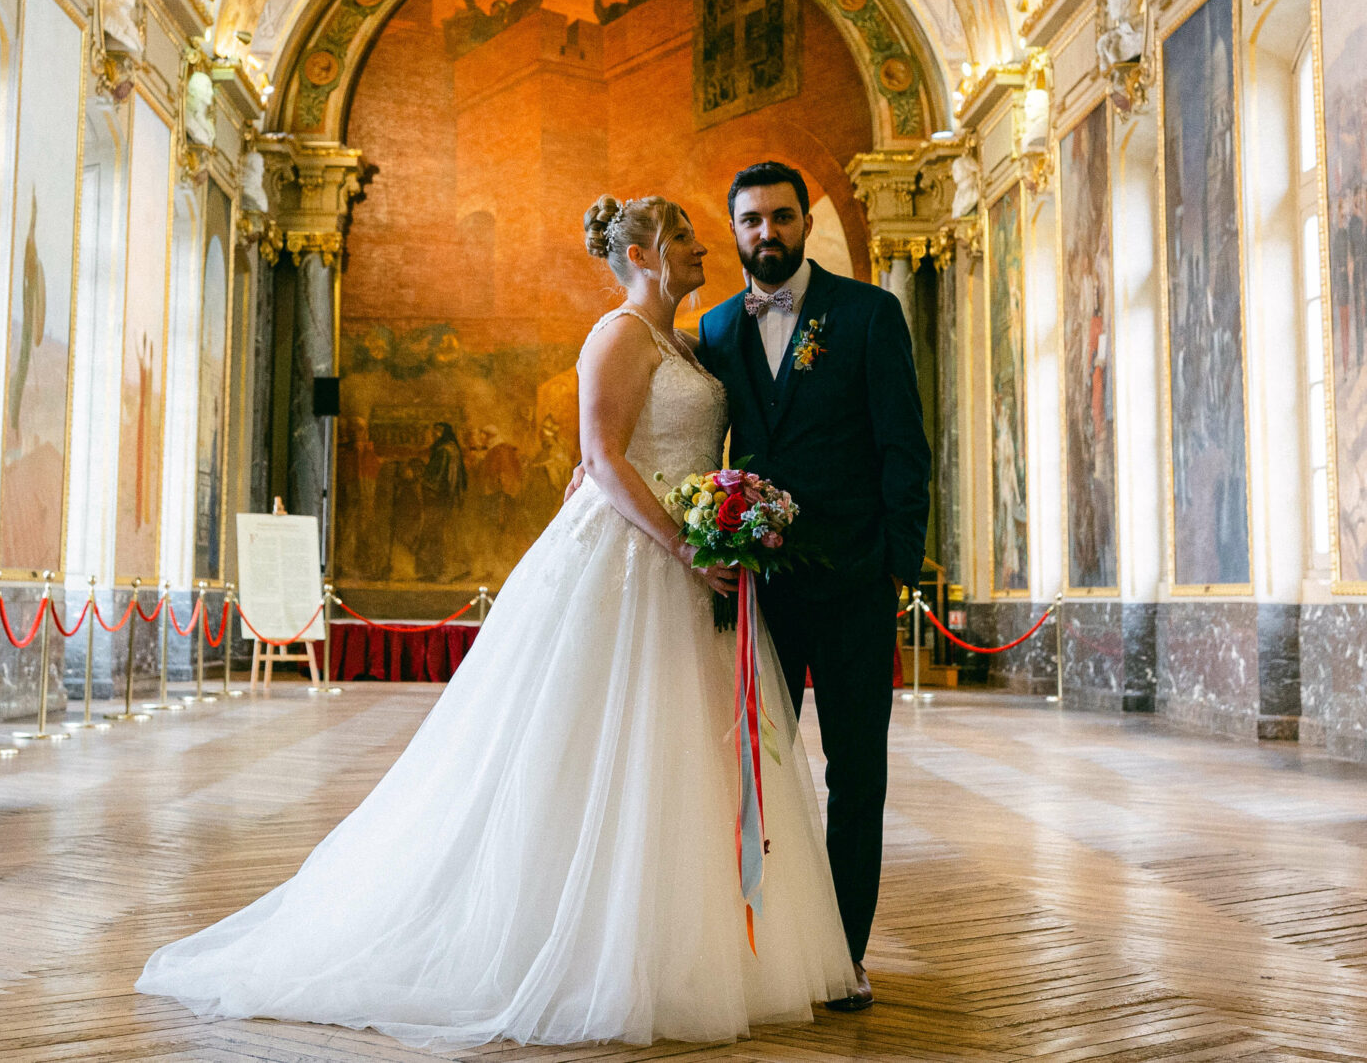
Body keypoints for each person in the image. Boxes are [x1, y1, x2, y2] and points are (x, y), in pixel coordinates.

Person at [135, 195, 856, 1048]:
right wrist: (683, 545)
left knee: (684, 756)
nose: (704, 248)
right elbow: (601, 459)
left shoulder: (688, 345)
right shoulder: (618, 335)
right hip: (636, 558)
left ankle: (693, 950)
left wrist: (721, 524)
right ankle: (580, 946)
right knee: (598, 750)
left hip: (695, 570)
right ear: (642, 254)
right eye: (685, 237)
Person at [696, 160, 933, 1015]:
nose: (768, 231)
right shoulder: (716, 327)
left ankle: (844, 955)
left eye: (782, 216)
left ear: (803, 221)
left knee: (856, 775)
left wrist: (897, 567)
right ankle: (763, 950)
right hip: (755, 592)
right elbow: (701, 444)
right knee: (754, 773)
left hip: (854, 584)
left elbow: (905, 445)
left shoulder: (868, 314)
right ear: (735, 229)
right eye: (752, 218)